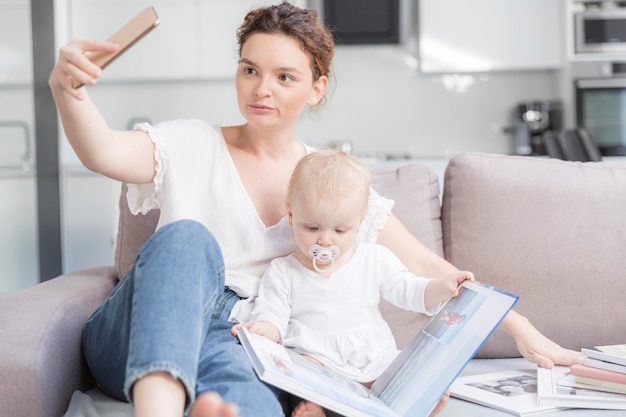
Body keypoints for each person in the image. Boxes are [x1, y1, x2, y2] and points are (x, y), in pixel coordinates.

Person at [47, 2, 582, 417]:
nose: (261, 89)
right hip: (145, 327)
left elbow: (427, 268)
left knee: (248, 393)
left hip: (246, 336)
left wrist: (524, 330)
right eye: (250, 70)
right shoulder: (189, 141)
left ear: (316, 89)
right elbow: (103, 152)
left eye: (284, 77)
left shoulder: (329, 185)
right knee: (189, 236)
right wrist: (68, 90)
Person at [232, 149, 475, 417]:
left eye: (340, 230)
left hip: (373, 355)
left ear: (359, 224)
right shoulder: (282, 270)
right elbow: (273, 315)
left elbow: (411, 290)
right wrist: (263, 330)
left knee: (406, 369)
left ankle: (412, 406)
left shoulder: (374, 258)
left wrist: (442, 286)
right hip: (318, 359)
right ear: (291, 217)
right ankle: (320, 409)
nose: (325, 240)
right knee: (298, 376)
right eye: (312, 228)